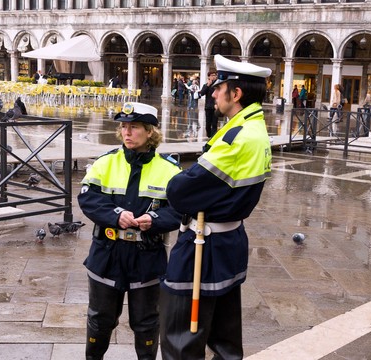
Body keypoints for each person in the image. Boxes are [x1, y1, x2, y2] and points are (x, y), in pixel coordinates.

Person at [160, 54, 273, 359]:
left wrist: (180, 179)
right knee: (225, 338)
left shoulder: (237, 137)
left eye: (218, 86)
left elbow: (180, 192)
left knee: (181, 337)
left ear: (236, 94)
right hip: (229, 241)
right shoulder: (255, 128)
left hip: (203, 247)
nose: (212, 92)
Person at [78, 102, 182, 360]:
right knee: (99, 320)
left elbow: (180, 210)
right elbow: (88, 199)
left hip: (147, 256)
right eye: (124, 126)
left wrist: (154, 219)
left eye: (134, 127)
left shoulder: (170, 170)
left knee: (146, 322)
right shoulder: (106, 163)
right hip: (107, 253)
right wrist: (115, 215)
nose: (126, 132)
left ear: (149, 131)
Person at [198, 71, 218, 137]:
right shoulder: (206, 85)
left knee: (214, 124)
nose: (213, 76)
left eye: (215, 75)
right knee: (208, 124)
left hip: (215, 107)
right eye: (212, 75)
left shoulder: (218, 85)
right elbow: (202, 93)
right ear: (209, 76)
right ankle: (209, 135)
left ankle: (212, 138)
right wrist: (208, 85)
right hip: (208, 107)